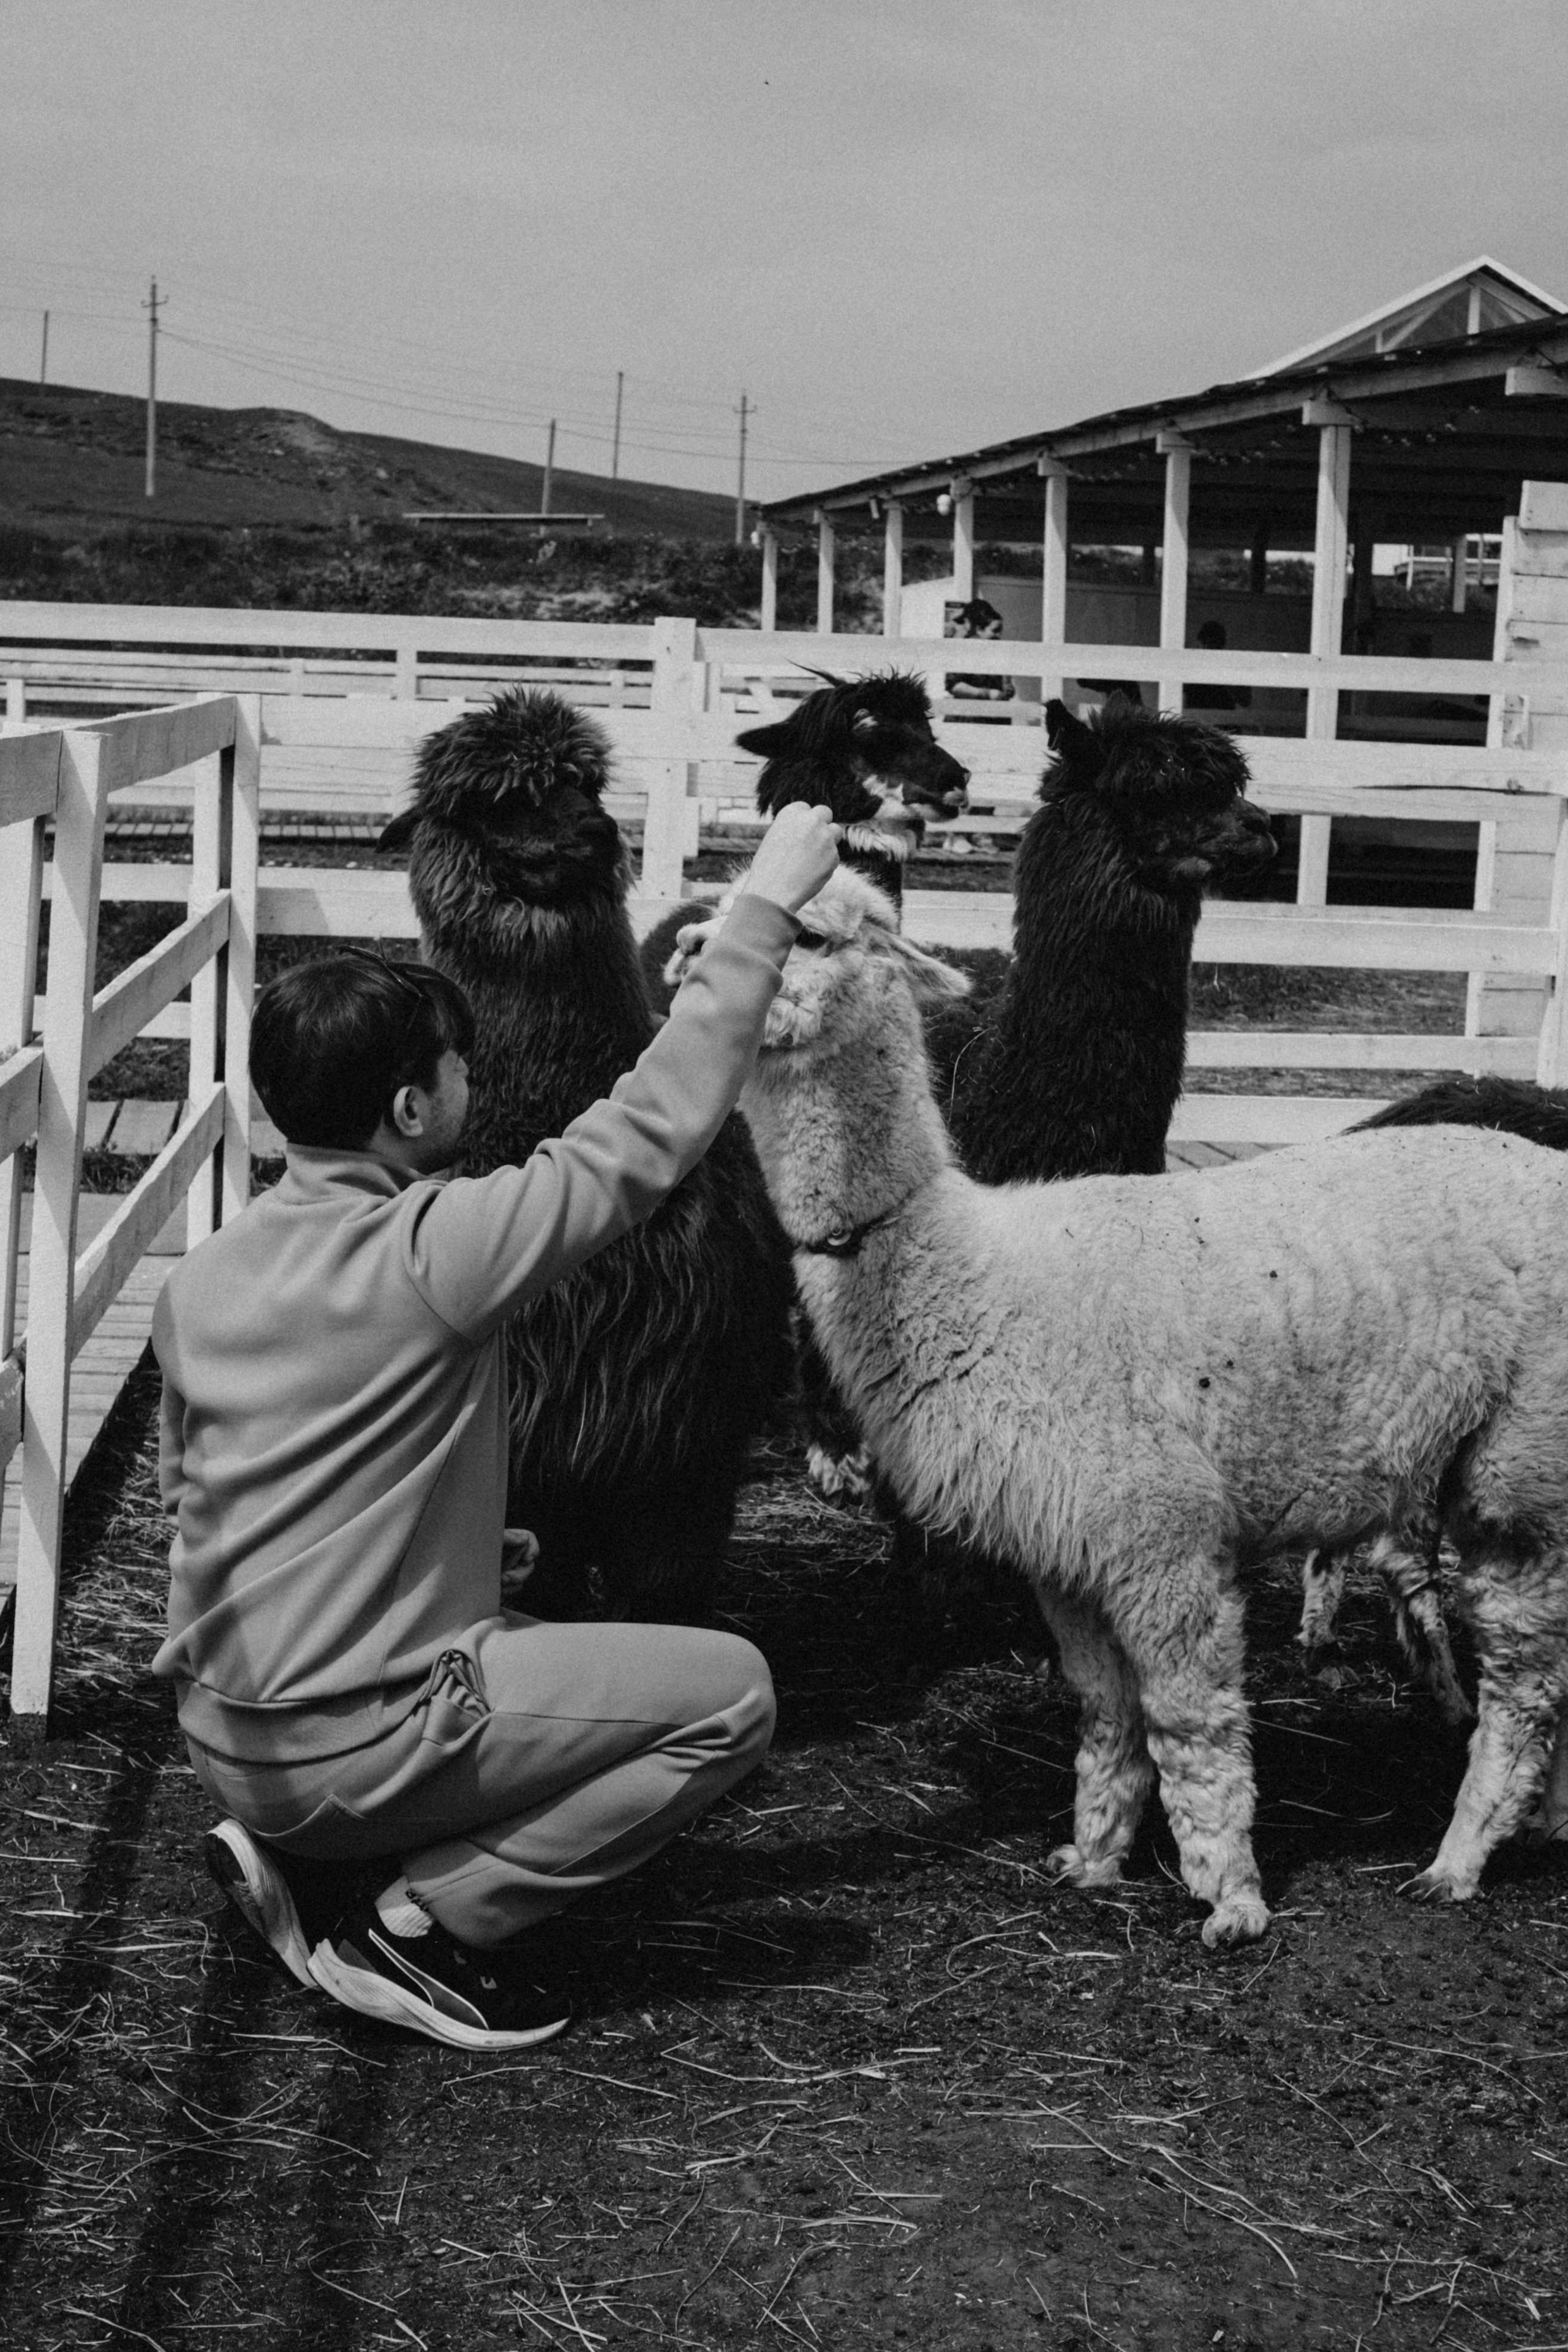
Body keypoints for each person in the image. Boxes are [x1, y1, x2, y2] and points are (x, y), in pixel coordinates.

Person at [153, 801, 841, 2052]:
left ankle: (305, 1853)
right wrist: (763, 907)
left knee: (520, 1623)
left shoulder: (201, 1281)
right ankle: (421, 1926)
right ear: (411, 1113)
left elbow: (216, 1507)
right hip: (352, 1749)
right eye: (457, 1069)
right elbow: (651, 1133)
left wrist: (460, 1554)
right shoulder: (438, 1246)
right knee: (728, 1698)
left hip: (220, 1736)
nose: (478, 1084)